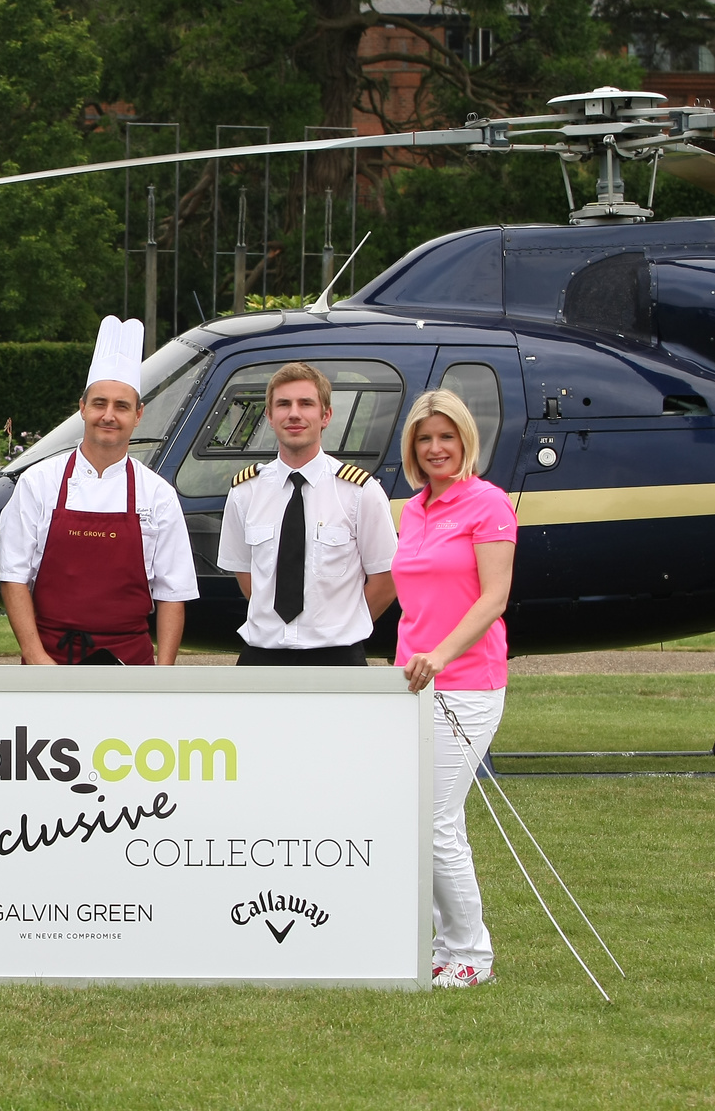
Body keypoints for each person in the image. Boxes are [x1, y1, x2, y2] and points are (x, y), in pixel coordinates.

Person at [391, 389, 517, 989]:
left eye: (446, 436)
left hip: (465, 682)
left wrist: (439, 656)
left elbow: (494, 597)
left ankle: (472, 953)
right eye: (424, 438)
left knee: (438, 819)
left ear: (467, 440)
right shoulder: (413, 509)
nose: (436, 448)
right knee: (421, 820)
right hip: (412, 682)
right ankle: (444, 946)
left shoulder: (487, 503)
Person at [0, 316, 197, 665]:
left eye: (121, 406)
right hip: (50, 660)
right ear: (82, 409)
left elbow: (172, 594)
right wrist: (35, 657)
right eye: (99, 403)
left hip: (130, 664)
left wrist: (162, 675)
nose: (109, 415)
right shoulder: (39, 482)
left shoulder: (158, 495)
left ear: (138, 415)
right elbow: (14, 578)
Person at [218, 361, 397, 665]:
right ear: (270, 416)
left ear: (325, 415)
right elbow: (245, 572)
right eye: (283, 404)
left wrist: (340, 625)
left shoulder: (358, 492)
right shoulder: (245, 491)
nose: (294, 414)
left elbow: (386, 578)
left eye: (306, 404)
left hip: (338, 657)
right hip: (263, 656)